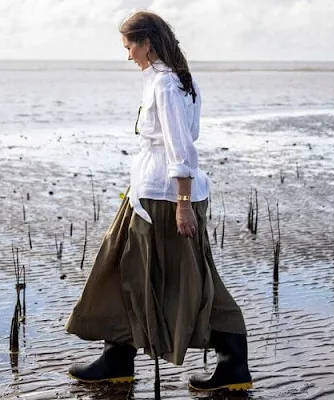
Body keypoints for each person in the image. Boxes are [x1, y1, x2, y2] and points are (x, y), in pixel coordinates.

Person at [65, 10, 252, 393]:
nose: (128, 54)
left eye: (130, 46)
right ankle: (117, 358)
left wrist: (182, 204)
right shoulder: (175, 80)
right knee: (129, 272)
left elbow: (180, 148)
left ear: (147, 42)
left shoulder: (166, 85)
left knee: (186, 282)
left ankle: (231, 364)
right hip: (151, 193)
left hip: (163, 198)